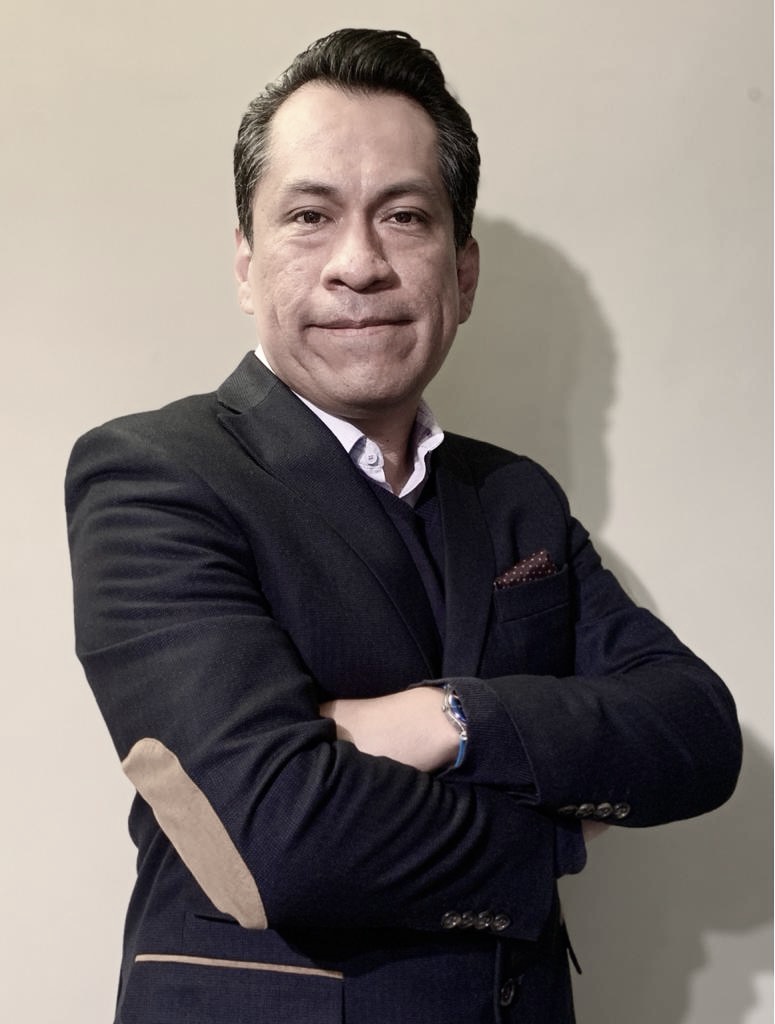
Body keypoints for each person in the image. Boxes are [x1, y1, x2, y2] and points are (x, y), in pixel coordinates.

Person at [65, 28, 742, 1024]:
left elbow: (695, 734)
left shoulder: (516, 498)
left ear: (462, 274)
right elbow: (281, 838)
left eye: (405, 216)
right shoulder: (154, 475)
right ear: (246, 265)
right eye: (309, 216)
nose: (359, 264)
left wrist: (449, 719)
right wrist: (553, 834)